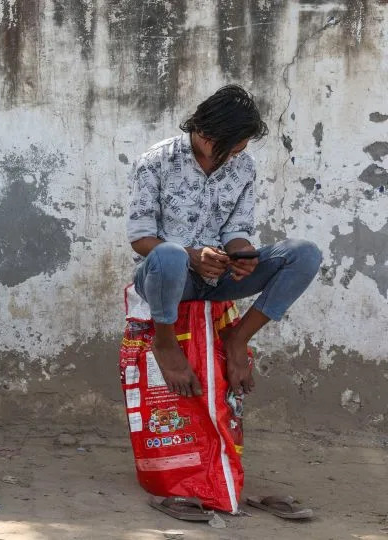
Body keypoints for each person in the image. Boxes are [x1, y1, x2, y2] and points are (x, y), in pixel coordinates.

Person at [127, 85, 322, 398]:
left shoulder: (243, 166)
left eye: (239, 151)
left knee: (304, 254)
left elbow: (236, 229)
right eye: (230, 149)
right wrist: (191, 256)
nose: (234, 157)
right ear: (205, 133)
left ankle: (238, 340)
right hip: (165, 278)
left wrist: (242, 254)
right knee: (170, 256)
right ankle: (164, 342)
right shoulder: (155, 162)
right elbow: (140, 238)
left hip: (219, 276)